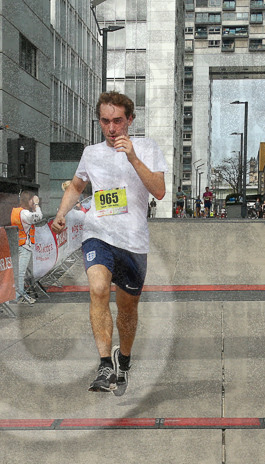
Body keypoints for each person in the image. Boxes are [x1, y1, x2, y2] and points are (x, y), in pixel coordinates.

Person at [52, 91, 166, 395]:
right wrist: (62, 212)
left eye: (117, 120)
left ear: (130, 119)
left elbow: (159, 191)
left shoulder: (147, 148)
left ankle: (124, 362)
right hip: (98, 233)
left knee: (127, 310)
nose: (111, 127)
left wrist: (132, 157)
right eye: (105, 121)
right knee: (98, 289)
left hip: (133, 240)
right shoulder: (91, 153)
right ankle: (104, 364)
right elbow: (77, 185)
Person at [12, 189, 43, 304]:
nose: (33, 202)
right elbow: (39, 217)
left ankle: (19, 294)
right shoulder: (25, 213)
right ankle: (19, 295)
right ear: (28, 200)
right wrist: (36, 205)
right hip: (25, 246)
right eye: (31, 200)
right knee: (21, 272)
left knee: (19, 272)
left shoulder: (16, 211)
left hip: (18, 244)